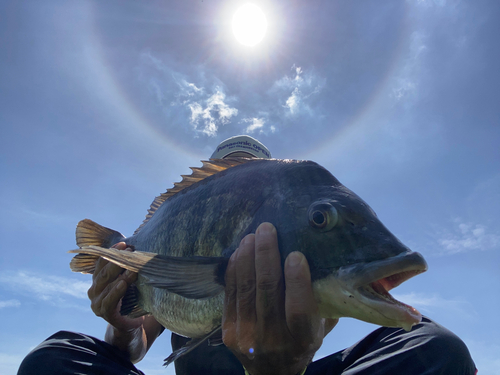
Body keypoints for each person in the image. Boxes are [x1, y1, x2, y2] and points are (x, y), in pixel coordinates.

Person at [18, 136, 477, 375]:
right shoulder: (169, 249)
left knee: (438, 348)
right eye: (227, 173)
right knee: (54, 359)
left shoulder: (318, 283)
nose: (236, 185)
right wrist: (120, 328)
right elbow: (136, 347)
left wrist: (288, 365)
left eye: (249, 174)